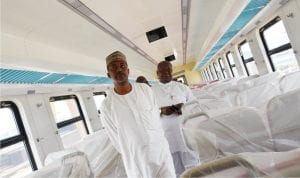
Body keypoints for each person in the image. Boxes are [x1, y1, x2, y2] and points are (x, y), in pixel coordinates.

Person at [100, 51, 176, 178]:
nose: (119, 69)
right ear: (108, 74)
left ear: (128, 70)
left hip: (160, 153)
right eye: (113, 67)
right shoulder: (107, 105)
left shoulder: (145, 89)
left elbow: (156, 119)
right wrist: (136, 148)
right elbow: (116, 139)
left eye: (122, 66)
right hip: (137, 162)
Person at [152, 61, 199, 176]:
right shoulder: (151, 91)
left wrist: (183, 107)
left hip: (185, 132)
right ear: (157, 73)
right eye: (162, 71)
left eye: (168, 70)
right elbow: (147, 112)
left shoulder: (182, 88)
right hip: (165, 135)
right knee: (173, 166)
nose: (166, 73)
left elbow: (195, 105)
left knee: (193, 164)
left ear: (172, 72)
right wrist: (161, 111)